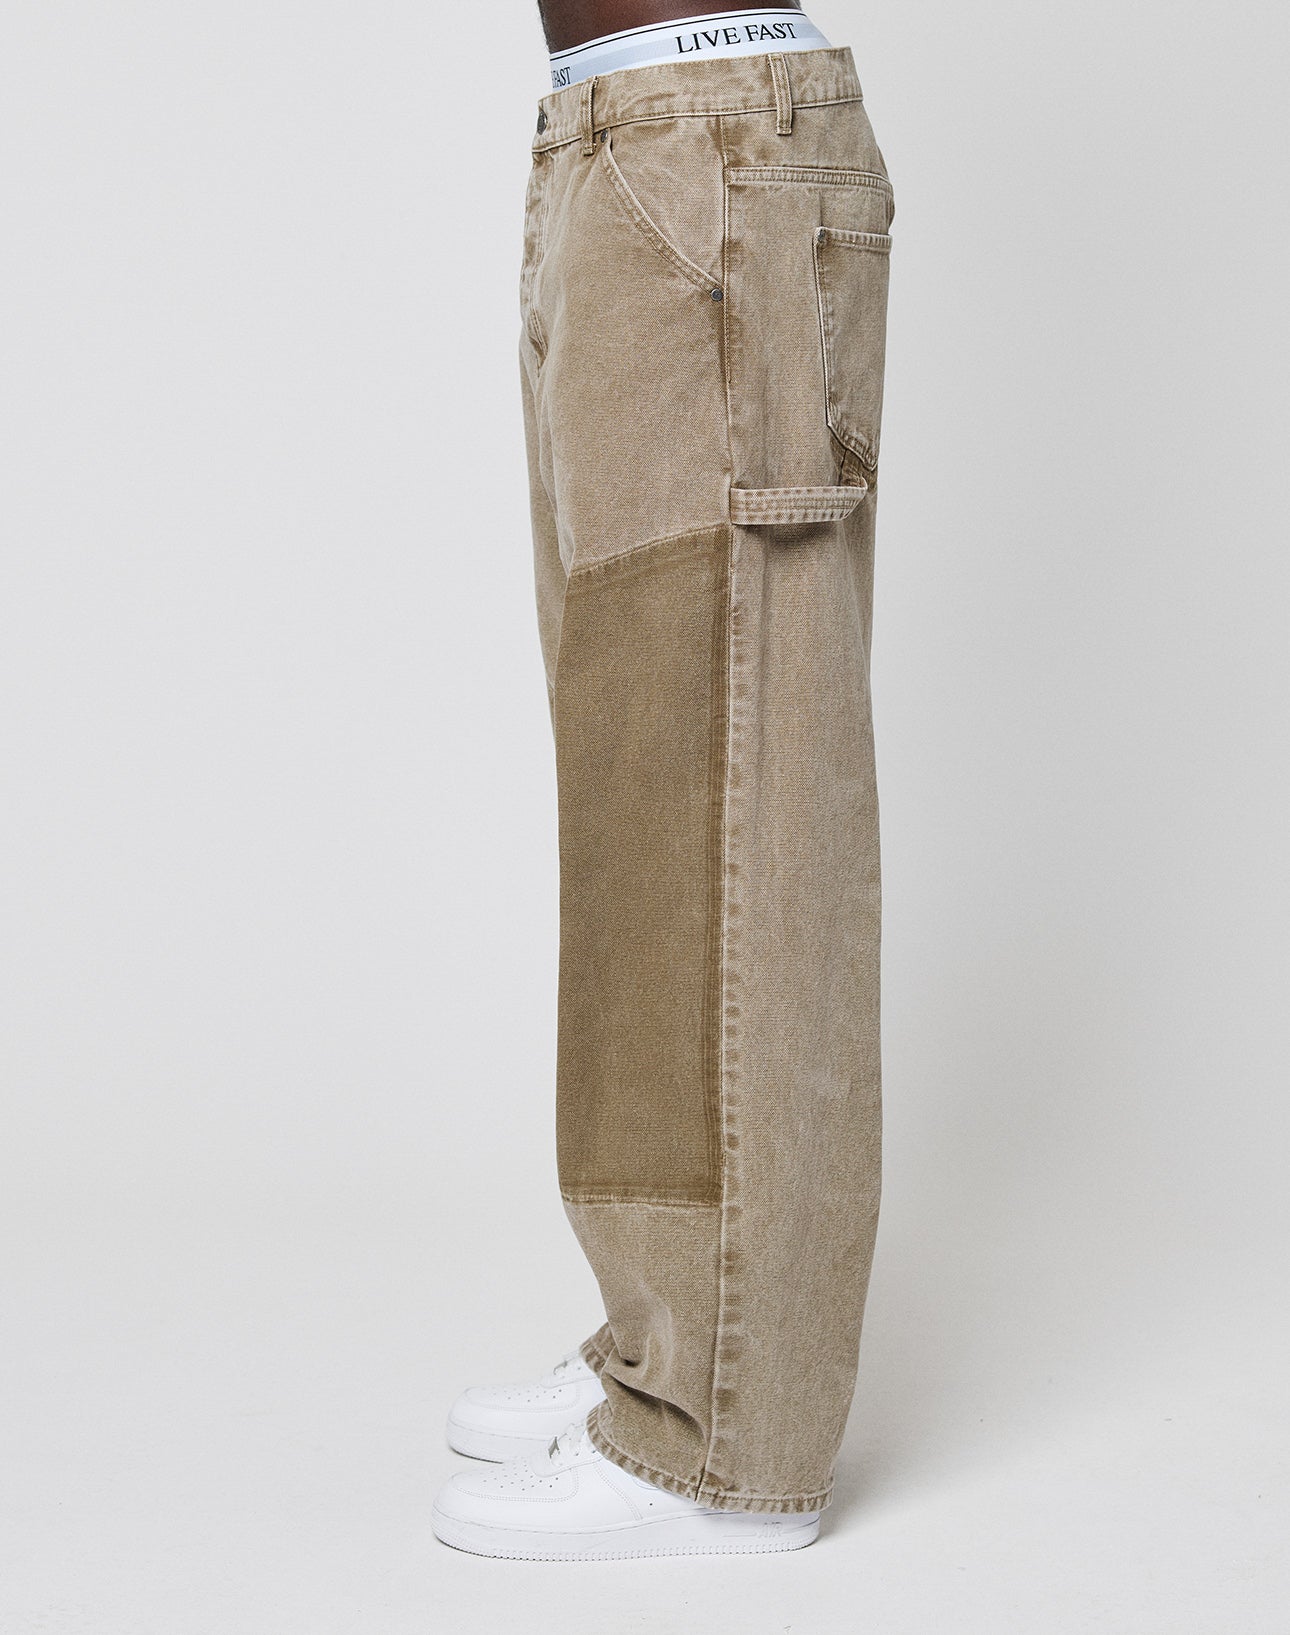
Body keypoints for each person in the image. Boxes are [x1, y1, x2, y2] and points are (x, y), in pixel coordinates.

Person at [432, 1, 894, 1560]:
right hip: (624, 135)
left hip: (708, 146)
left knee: (727, 801)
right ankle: (667, 1341)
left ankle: (730, 1441)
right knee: (645, 797)